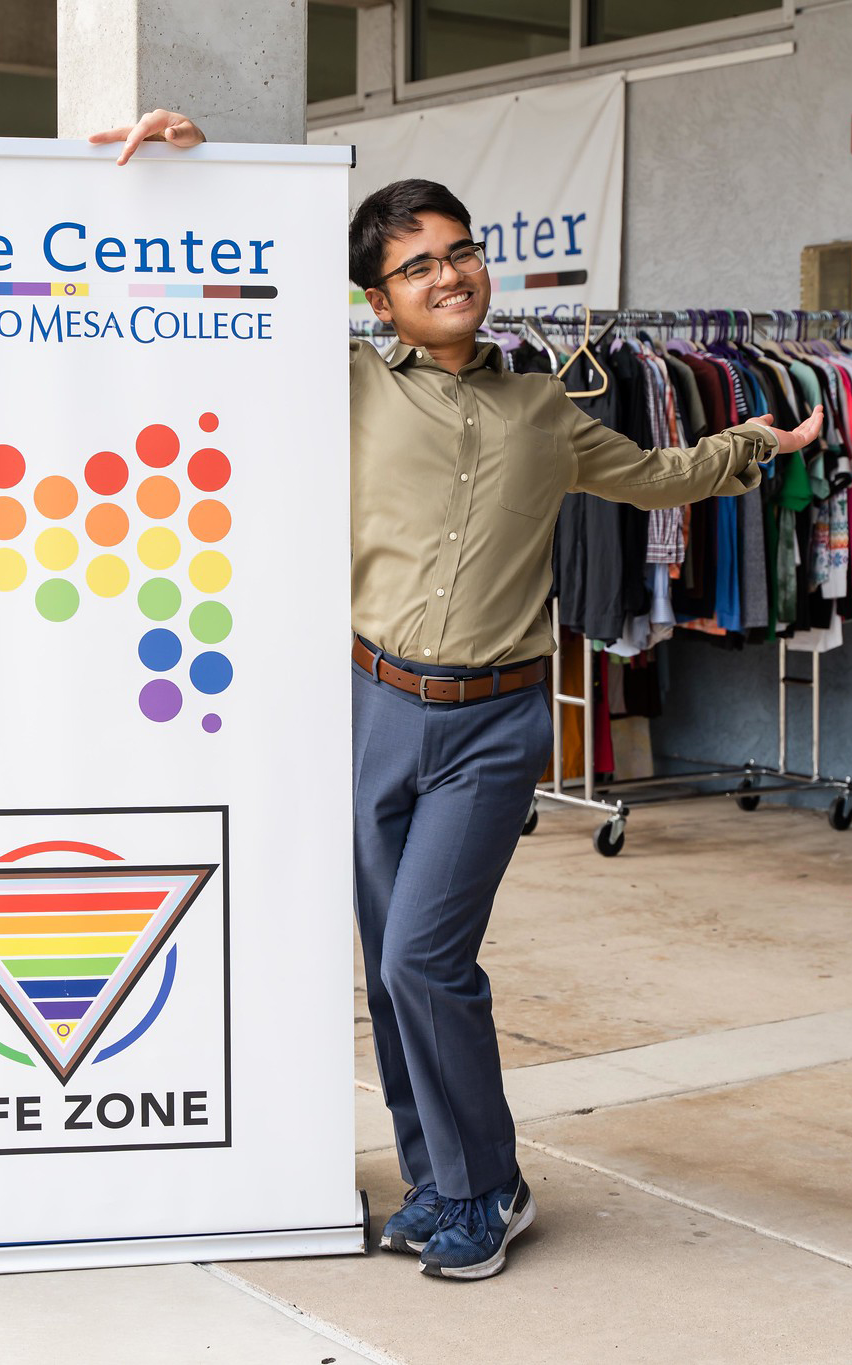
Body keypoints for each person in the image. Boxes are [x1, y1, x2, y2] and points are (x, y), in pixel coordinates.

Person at [92, 109, 825, 1281]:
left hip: (493, 719)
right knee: (387, 964)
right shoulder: (341, 383)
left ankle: (491, 1185)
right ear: (376, 301)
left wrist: (751, 441)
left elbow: (656, 475)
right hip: (373, 704)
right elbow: (220, 305)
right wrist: (190, 169)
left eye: (461, 249)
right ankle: (436, 1180)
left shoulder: (544, 409)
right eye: (417, 263)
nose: (450, 273)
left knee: (423, 959)